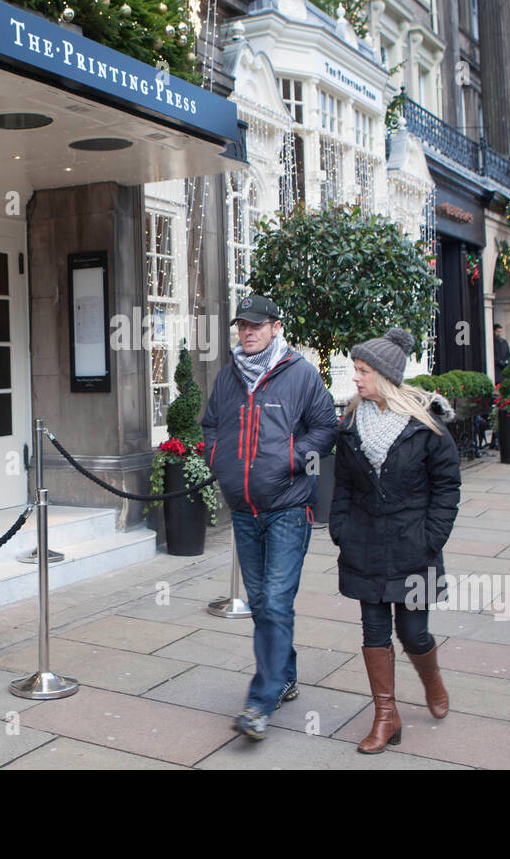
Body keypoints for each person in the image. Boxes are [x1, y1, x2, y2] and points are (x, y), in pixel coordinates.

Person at [200, 294, 339, 740]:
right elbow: (210, 425)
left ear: (276, 327)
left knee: (275, 602)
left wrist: (292, 461)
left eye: (256, 325)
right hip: (244, 510)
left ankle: (260, 703)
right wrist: (217, 458)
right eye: (242, 325)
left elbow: (326, 429)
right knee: (263, 604)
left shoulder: (300, 375)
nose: (248, 332)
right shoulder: (227, 378)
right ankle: (286, 675)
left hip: (288, 509)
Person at [329, 329, 461, 753]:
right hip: (363, 543)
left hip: (413, 544)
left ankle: (432, 682)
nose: (356, 378)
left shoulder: (426, 425)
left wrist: (432, 536)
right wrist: (341, 529)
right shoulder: (350, 423)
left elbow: (447, 487)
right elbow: (344, 485)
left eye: (363, 371)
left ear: (385, 376)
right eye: (356, 370)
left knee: (413, 632)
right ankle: (386, 716)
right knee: (373, 630)